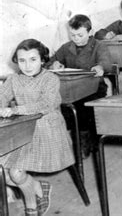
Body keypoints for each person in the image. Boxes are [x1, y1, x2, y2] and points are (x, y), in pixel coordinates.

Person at [0, 39, 75, 216]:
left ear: (42, 60)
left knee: (16, 173)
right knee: (3, 172)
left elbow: (46, 104)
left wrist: (14, 109)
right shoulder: (13, 79)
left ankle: (31, 206)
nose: (27, 65)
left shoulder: (51, 78)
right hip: (22, 128)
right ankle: (37, 187)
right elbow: (2, 97)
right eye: (22, 60)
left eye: (33, 59)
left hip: (46, 129)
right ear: (16, 61)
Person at [47, 14, 113, 157]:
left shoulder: (99, 46)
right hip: (73, 88)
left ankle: (87, 142)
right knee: (65, 107)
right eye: (73, 35)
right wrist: (54, 64)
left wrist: (100, 67)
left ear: (90, 32)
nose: (76, 38)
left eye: (80, 35)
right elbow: (50, 62)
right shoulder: (66, 47)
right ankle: (78, 140)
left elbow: (106, 62)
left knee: (84, 108)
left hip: (94, 88)